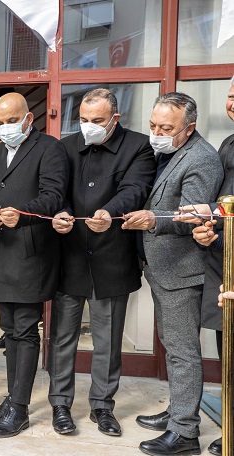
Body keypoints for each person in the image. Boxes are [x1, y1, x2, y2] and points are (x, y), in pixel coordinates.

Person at [48, 88, 155, 436]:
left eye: (97, 120)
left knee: (107, 340)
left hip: (112, 257)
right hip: (70, 256)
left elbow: (135, 189)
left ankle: (102, 406)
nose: (89, 126)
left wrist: (109, 212)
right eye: (83, 119)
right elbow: (56, 191)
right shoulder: (65, 146)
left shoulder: (138, 146)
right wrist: (61, 212)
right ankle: (60, 403)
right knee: (62, 337)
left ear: (115, 119)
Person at [122, 92, 223, 455]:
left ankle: (184, 434)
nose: (157, 133)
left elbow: (194, 215)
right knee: (173, 345)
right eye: (153, 125)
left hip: (183, 270)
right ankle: (180, 411)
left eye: (166, 128)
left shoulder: (201, 159)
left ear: (189, 127)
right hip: (163, 268)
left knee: (182, 352)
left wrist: (154, 219)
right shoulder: (168, 152)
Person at [0, 93, 69, 438]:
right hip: (1, 250)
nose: (5, 128)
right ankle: (12, 396)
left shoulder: (49, 148)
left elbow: (54, 195)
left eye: (12, 121)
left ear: (29, 119)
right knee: (9, 329)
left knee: (26, 330)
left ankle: (20, 408)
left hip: (32, 251)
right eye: (0, 123)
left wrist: (24, 213)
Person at [175, 75, 234, 456]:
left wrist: (210, 210)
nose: (233, 104)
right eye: (231, 96)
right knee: (227, 350)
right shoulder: (229, 144)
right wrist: (209, 228)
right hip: (223, 259)